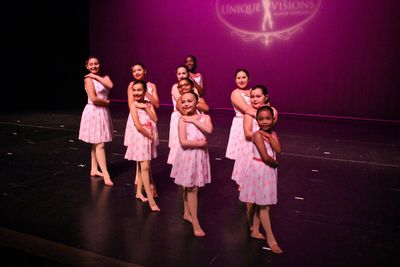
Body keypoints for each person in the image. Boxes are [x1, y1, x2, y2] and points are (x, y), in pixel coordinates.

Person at [239, 105, 283, 254]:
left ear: (273, 119)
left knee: (261, 203)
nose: (264, 122)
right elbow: (265, 157)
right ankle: (272, 239)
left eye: (268, 119)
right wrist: (276, 164)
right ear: (257, 120)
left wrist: (271, 137)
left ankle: (255, 230)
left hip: (267, 171)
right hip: (260, 169)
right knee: (264, 206)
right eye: (261, 119)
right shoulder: (257, 135)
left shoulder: (272, 133)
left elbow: (278, 150)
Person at [232, 85, 273, 239]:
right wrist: (263, 134)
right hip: (250, 152)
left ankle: (256, 225)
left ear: (266, 97)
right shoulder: (249, 112)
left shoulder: (270, 112)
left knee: (261, 190)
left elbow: (273, 125)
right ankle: (252, 225)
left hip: (264, 152)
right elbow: (248, 133)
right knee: (250, 191)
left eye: (258, 96)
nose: (255, 99)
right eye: (253, 97)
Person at [170, 91, 213, 237]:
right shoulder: (182, 119)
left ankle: (187, 213)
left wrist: (194, 120)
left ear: (196, 102)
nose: (186, 104)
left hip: (199, 156)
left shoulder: (204, 117)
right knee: (190, 188)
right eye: (183, 102)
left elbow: (209, 129)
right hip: (188, 155)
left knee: (190, 187)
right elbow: (183, 141)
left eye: (189, 101)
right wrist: (199, 144)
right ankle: (195, 221)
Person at [124, 63, 159, 197]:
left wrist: (147, 93)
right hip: (137, 118)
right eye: (134, 71)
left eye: (139, 70)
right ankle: (147, 183)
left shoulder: (152, 86)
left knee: (147, 153)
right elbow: (131, 105)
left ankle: (144, 181)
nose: (137, 72)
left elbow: (156, 104)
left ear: (145, 71)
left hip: (149, 117)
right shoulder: (132, 86)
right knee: (141, 152)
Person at [78, 56, 114, 186]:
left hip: (103, 112)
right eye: (91, 64)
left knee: (96, 142)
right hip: (94, 111)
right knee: (100, 144)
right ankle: (106, 174)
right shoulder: (87, 80)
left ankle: (94, 169)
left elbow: (110, 85)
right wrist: (106, 102)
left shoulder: (105, 78)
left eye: (96, 64)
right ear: (87, 66)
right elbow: (93, 98)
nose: (94, 66)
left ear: (99, 64)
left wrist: (95, 76)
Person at [168, 77, 209, 165]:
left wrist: (195, 102)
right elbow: (186, 113)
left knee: (197, 156)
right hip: (186, 128)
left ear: (192, 86)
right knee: (183, 153)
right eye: (181, 86)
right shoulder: (180, 101)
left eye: (186, 85)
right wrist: (191, 102)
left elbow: (206, 108)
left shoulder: (199, 100)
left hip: (197, 129)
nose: (183, 87)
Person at [225, 69, 255, 161]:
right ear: (235, 80)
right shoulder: (235, 93)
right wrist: (264, 115)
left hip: (254, 123)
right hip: (242, 124)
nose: (241, 80)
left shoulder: (253, 91)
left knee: (254, 154)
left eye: (243, 77)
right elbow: (247, 109)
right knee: (243, 155)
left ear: (248, 79)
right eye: (238, 78)